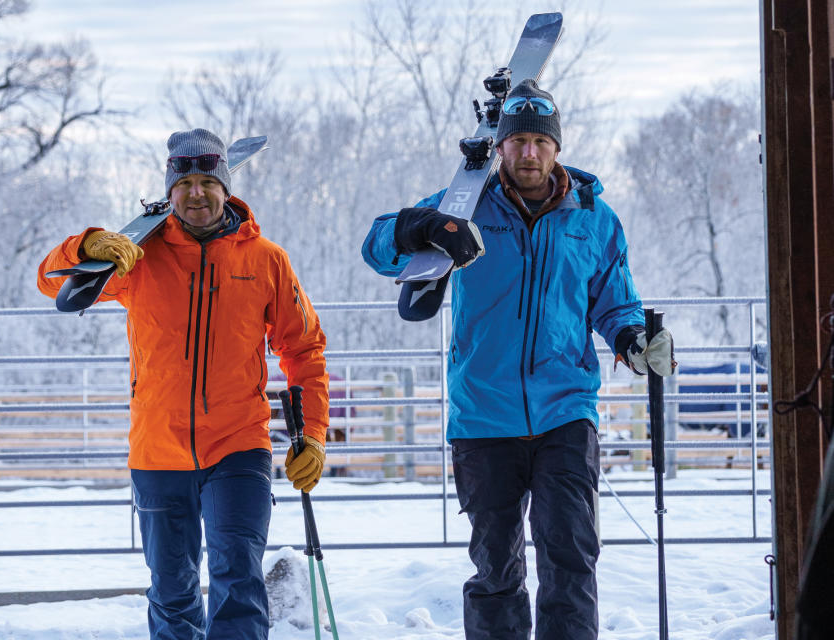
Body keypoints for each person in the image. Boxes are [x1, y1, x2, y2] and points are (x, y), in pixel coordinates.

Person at [361, 79, 675, 640]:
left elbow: (614, 301)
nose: (529, 153)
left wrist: (634, 342)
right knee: (496, 570)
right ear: (500, 147)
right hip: (483, 415)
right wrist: (423, 227)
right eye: (518, 141)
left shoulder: (593, 217)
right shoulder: (464, 206)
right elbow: (378, 246)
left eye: (540, 141)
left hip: (565, 412)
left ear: (557, 147)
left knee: (571, 558)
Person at [37, 128, 330, 639]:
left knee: (238, 579)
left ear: (226, 186)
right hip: (157, 450)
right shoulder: (137, 257)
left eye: (207, 182)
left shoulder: (265, 259)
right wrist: (84, 245)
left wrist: (315, 436)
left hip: (239, 446)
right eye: (185, 182)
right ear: (169, 190)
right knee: (172, 592)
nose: (197, 193)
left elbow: (304, 349)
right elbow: (50, 280)